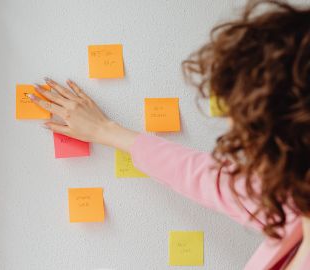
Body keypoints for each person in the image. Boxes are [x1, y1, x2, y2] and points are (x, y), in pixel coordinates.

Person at [27, 0, 309, 269]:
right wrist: (104, 130)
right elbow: (209, 178)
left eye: (249, 131)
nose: (237, 143)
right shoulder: (294, 203)